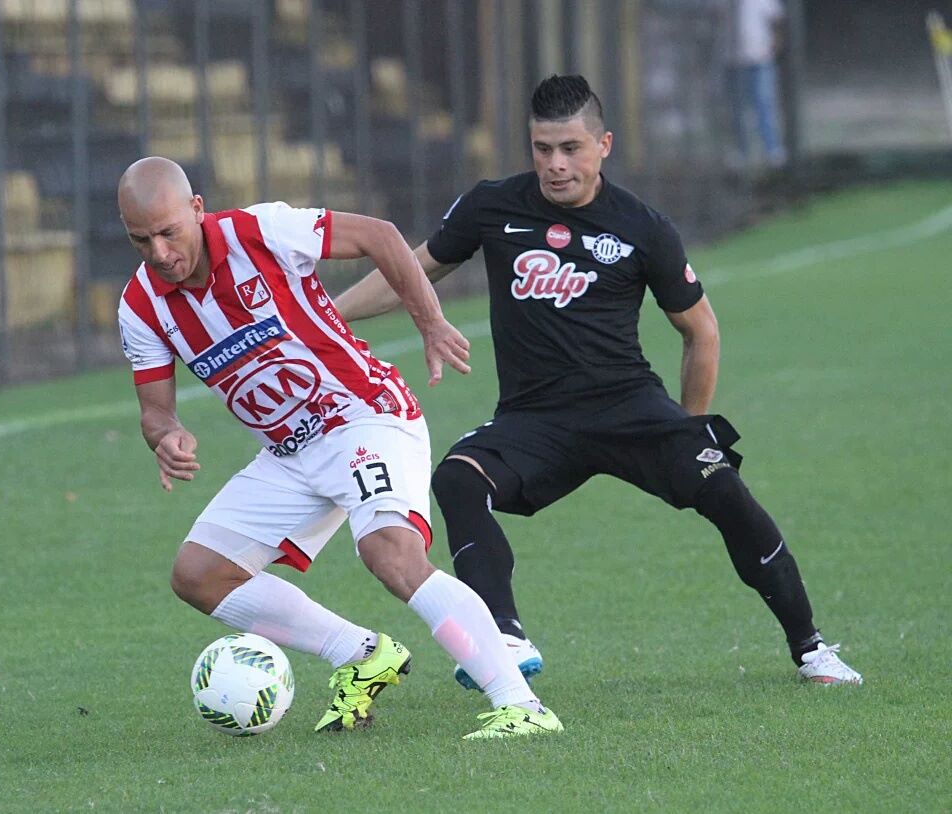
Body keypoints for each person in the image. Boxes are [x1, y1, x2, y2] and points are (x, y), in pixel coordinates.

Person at [334, 75, 862, 689]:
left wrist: (693, 431)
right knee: (457, 478)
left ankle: (812, 649)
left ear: (604, 144)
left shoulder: (643, 226)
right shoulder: (493, 205)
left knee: (725, 492)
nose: (555, 165)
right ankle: (502, 635)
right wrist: (326, 314)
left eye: (571, 149)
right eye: (542, 149)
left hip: (630, 408)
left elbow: (702, 332)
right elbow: (413, 266)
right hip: (535, 420)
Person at [115, 156, 562, 739]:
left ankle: (519, 704)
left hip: (363, 417)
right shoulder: (141, 305)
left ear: (197, 209)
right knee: (199, 575)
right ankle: (361, 655)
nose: (158, 252)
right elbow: (155, 412)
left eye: (168, 231)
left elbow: (380, 236)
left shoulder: (261, 232)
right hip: (289, 453)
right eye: (139, 239)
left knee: (391, 554)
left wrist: (429, 320)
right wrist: (166, 436)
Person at [724, 0, 787, 167]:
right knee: (738, 109)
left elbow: (776, 20)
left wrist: (776, 43)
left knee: (764, 103)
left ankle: (771, 149)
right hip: (734, 60)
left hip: (759, 58)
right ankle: (742, 150)